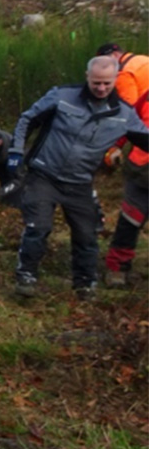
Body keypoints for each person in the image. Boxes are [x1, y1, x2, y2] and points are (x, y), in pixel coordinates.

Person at [9, 55, 149, 299]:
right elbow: (27, 118)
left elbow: (144, 139)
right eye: (96, 82)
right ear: (87, 77)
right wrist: (16, 152)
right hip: (44, 174)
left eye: (107, 83)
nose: (101, 88)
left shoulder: (124, 114)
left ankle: (84, 284)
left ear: (115, 79)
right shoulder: (62, 96)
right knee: (38, 227)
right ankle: (26, 276)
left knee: (87, 234)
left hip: (80, 181)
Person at [97, 43, 149, 288]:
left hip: (144, 158)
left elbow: (124, 114)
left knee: (133, 212)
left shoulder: (125, 74)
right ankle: (118, 266)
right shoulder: (143, 62)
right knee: (134, 210)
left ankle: (117, 266)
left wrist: (112, 145)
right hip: (144, 156)